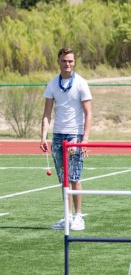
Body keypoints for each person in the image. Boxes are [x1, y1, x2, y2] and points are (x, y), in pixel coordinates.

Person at [40, 47, 93, 231]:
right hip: (58, 137)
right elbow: (47, 113)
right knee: (63, 178)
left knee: (75, 176)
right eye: (64, 61)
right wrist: (43, 136)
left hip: (75, 136)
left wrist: (85, 139)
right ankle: (67, 216)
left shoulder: (81, 83)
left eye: (70, 61)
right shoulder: (53, 84)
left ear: (74, 62)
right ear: (59, 62)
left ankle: (79, 216)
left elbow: (88, 113)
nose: (67, 64)